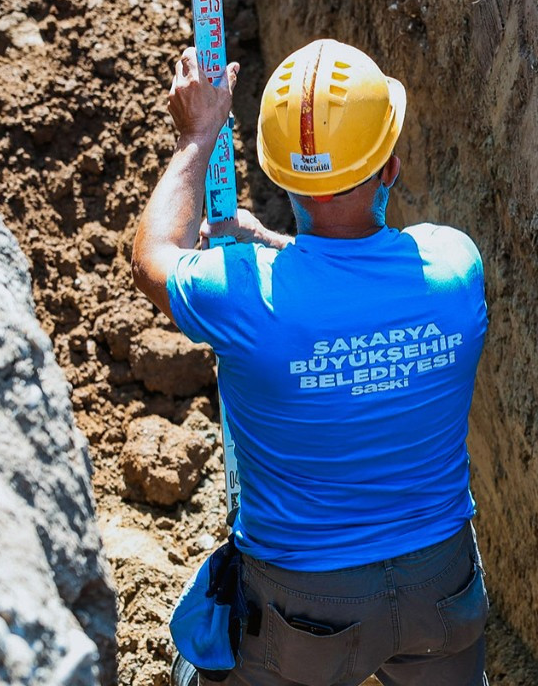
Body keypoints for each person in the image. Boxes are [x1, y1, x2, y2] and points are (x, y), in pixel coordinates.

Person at [131, 38, 490, 686]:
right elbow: (356, 286)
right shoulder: (455, 266)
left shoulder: (241, 292)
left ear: (278, 174)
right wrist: (279, 247)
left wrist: (197, 136)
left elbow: (153, 256)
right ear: (390, 168)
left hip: (305, 607)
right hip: (442, 585)